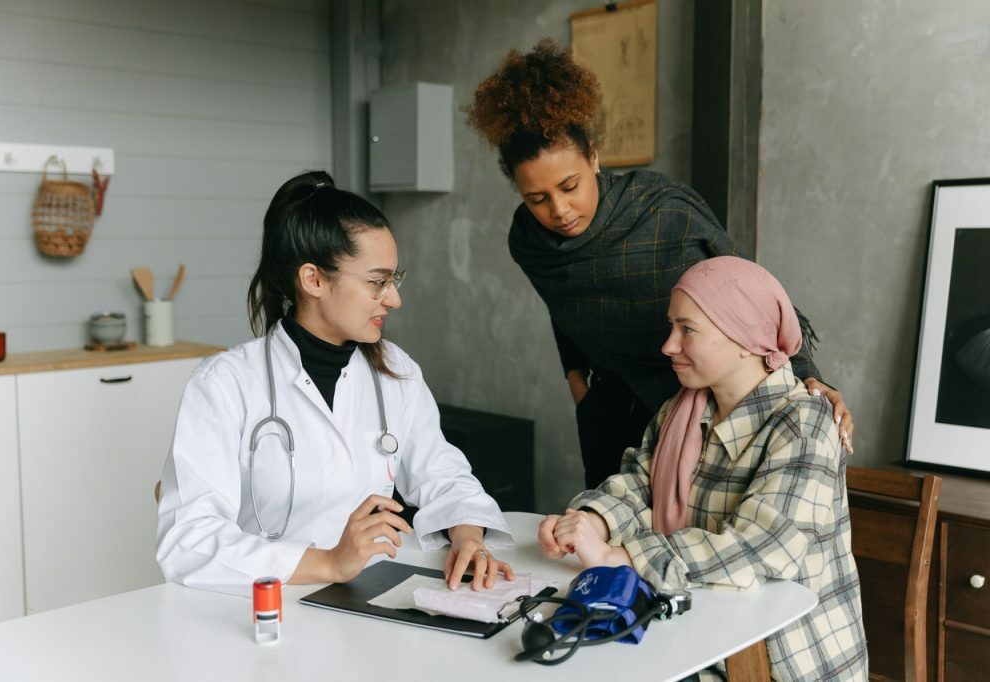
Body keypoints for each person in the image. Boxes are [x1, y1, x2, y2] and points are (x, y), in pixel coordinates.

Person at [465, 39, 854, 489]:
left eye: (570, 185)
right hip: (609, 407)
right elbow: (566, 311)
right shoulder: (529, 240)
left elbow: (754, 297)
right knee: (608, 526)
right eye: (536, 198)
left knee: (687, 533)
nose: (559, 210)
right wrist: (577, 382)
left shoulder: (661, 209)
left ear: (593, 157)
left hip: (698, 398)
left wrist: (810, 378)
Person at [156, 171, 514, 595]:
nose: (394, 298)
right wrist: (328, 563)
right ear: (314, 280)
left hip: (371, 599)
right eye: (377, 281)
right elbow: (187, 541)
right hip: (266, 607)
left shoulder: (395, 371)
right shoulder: (225, 384)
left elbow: (443, 475)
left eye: (395, 279)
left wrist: (468, 537)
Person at [537, 256, 867, 681]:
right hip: (696, 631)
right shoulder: (683, 408)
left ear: (745, 339)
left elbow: (764, 547)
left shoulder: (804, 423)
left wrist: (621, 557)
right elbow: (640, 483)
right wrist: (589, 521)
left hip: (777, 659)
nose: (668, 345)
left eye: (687, 330)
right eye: (671, 327)